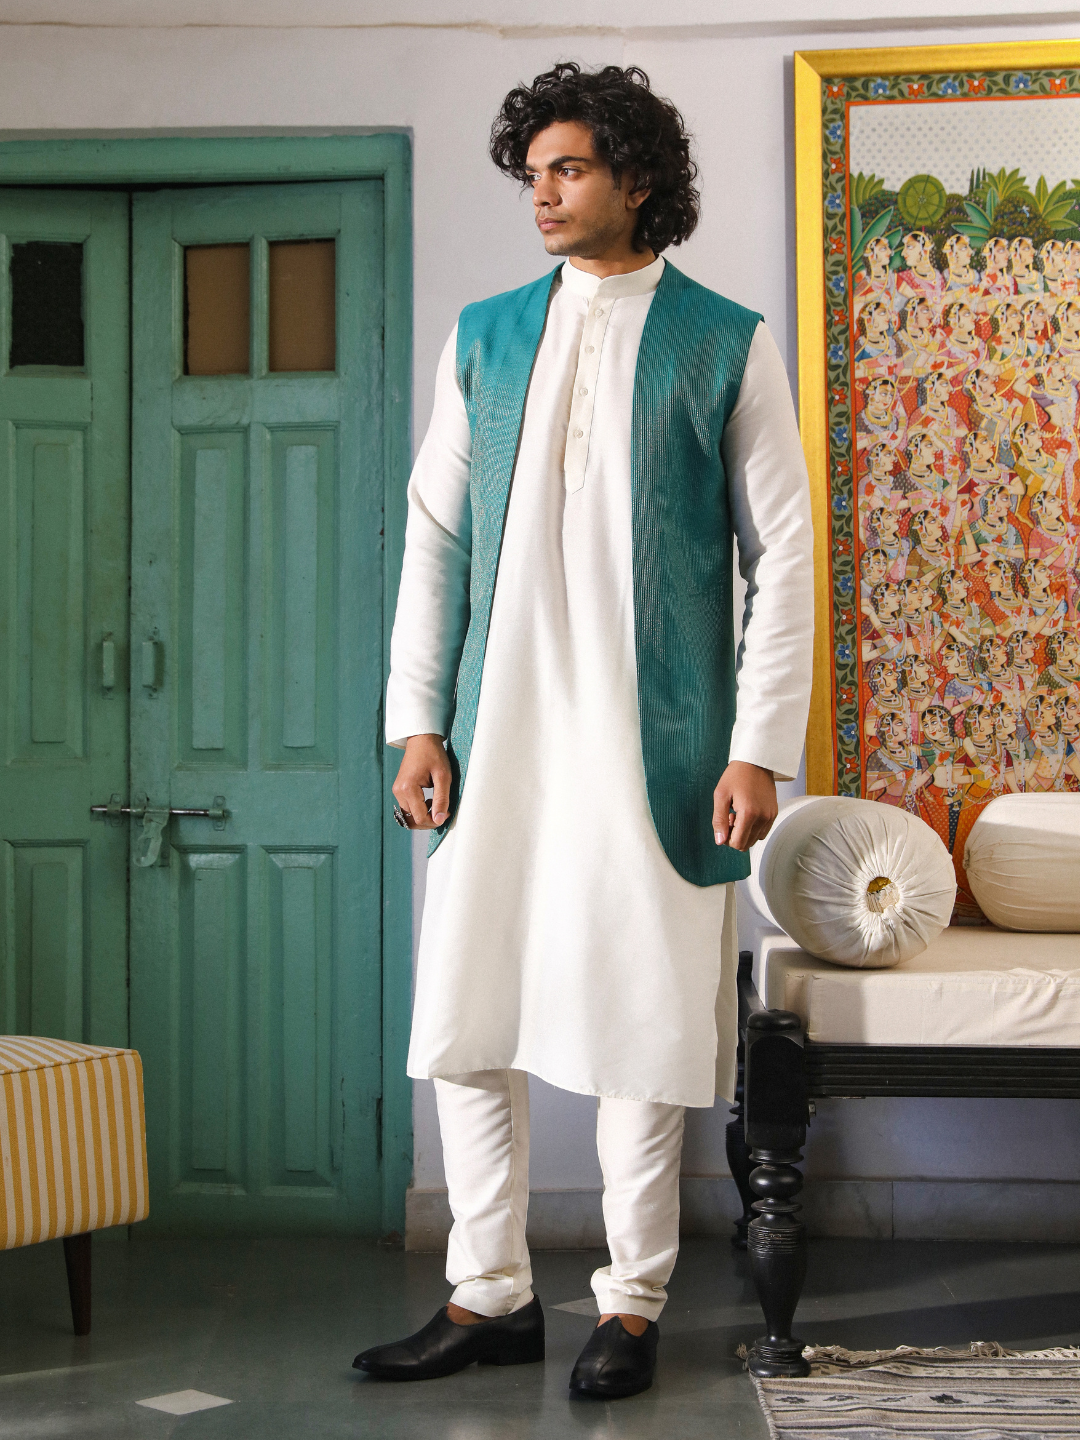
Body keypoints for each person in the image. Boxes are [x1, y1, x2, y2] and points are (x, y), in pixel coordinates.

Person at [352, 62, 813, 1399]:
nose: (543, 195)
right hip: (497, 733)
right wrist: (418, 720)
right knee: (469, 1009)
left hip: (656, 741)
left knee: (638, 1015)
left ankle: (633, 1303)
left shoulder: (723, 340)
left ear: (638, 178)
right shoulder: (488, 336)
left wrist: (758, 745)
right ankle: (489, 1292)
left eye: (568, 169)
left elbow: (783, 554)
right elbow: (434, 536)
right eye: (533, 173)